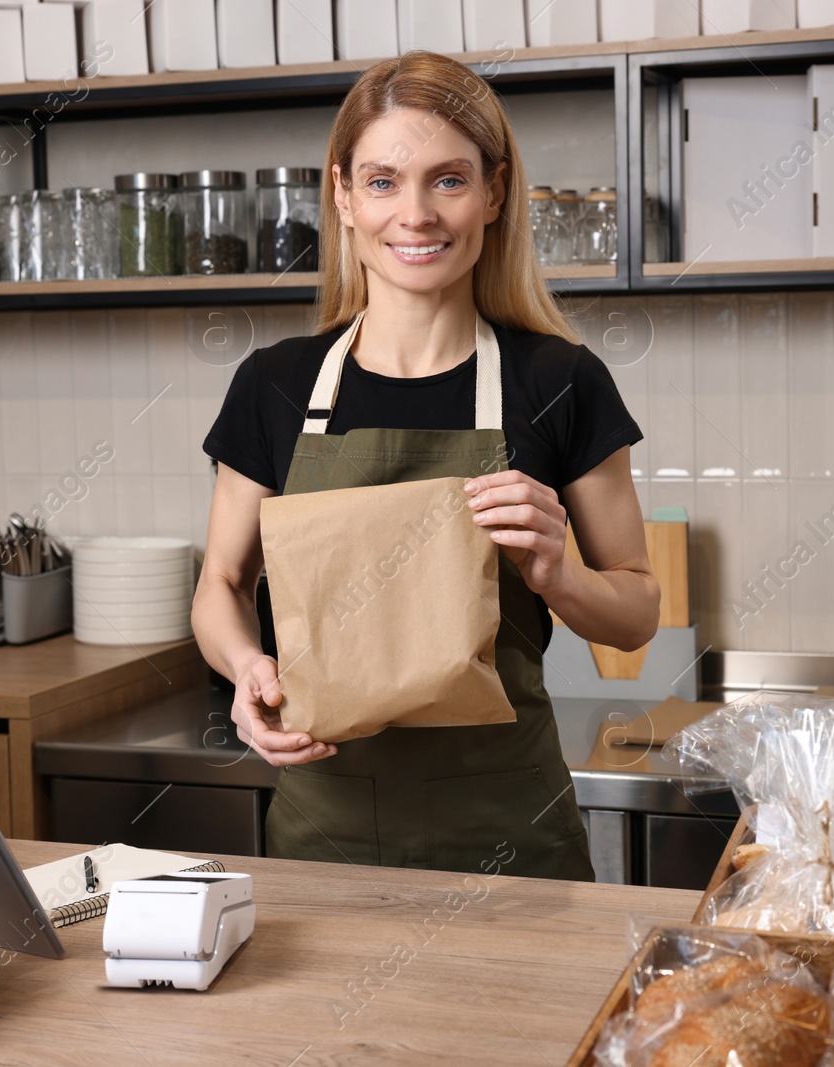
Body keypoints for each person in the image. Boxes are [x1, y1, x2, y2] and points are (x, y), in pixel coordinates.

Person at [193, 51, 659, 881]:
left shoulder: (559, 381)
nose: (415, 215)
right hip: (322, 839)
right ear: (341, 194)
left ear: (495, 191)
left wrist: (560, 575)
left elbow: (637, 612)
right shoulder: (275, 384)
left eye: (448, 180)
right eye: (382, 182)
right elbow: (222, 587)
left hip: (513, 838)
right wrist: (244, 670)